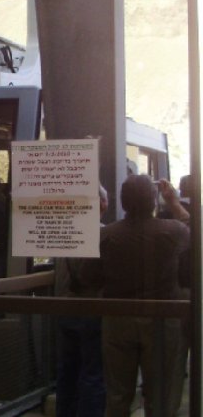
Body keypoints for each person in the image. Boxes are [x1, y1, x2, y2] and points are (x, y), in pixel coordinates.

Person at [85, 175, 190, 417]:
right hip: (163, 320)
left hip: (117, 320)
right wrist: (173, 202)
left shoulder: (107, 236)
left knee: (118, 394)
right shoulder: (173, 231)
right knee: (161, 394)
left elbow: (89, 277)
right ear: (154, 200)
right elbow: (194, 230)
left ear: (122, 202)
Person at [53, 185, 108, 417]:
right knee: (93, 373)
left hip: (65, 309)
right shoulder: (103, 234)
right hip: (92, 312)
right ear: (101, 205)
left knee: (67, 371)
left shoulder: (65, 231)